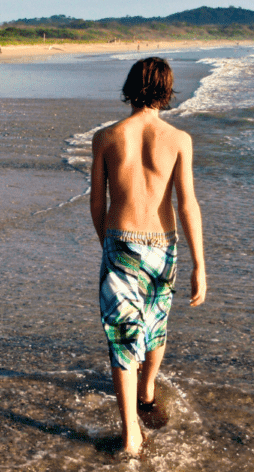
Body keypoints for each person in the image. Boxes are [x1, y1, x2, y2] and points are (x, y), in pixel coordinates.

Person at [90, 57, 207, 457]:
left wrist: (108, 246)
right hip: (163, 245)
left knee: (122, 339)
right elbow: (188, 204)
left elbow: (96, 203)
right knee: (156, 323)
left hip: (120, 239)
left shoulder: (106, 137)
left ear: (130, 85)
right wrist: (200, 265)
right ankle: (148, 391)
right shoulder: (178, 139)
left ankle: (131, 437)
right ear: (167, 89)